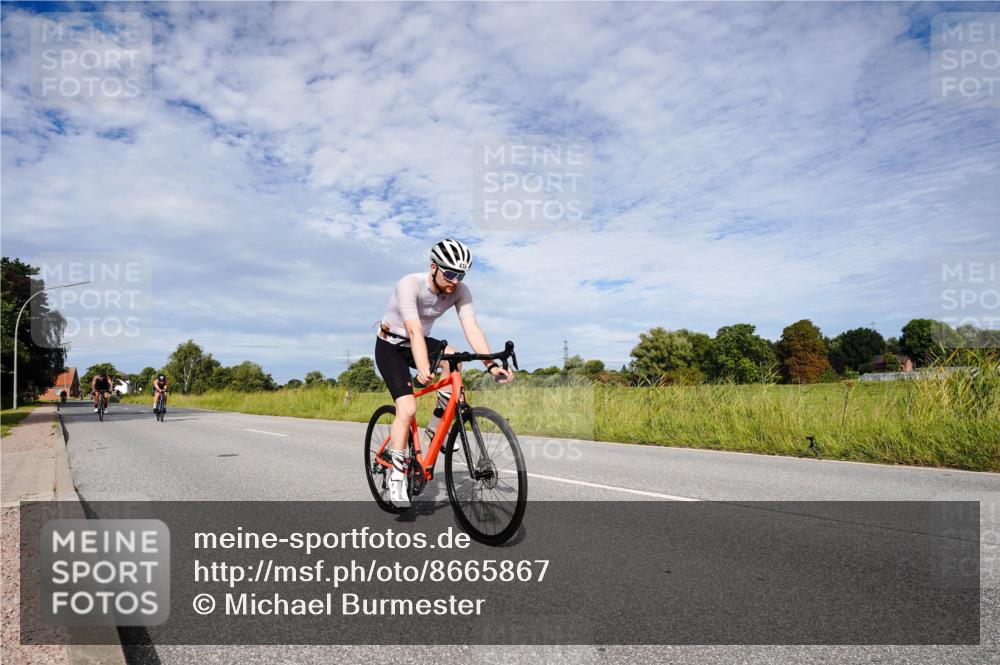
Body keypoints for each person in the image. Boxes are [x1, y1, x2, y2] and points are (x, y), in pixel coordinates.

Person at [374, 239, 513, 508]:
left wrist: (491, 365)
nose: (455, 281)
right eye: (449, 274)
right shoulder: (409, 285)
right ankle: (397, 475)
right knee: (407, 408)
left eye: (461, 275)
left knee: (454, 359)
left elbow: (472, 328)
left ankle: (437, 429)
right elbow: (414, 330)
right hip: (391, 345)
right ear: (433, 267)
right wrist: (423, 367)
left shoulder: (460, 290)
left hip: (421, 341)